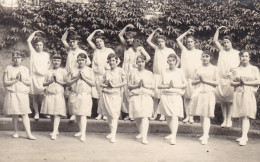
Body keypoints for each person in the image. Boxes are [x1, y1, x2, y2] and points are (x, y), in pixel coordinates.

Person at [119, 24, 151, 120]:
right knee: (125, 92)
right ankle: (128, 113)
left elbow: (148, 57)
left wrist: (138, 65)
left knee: (133, 91)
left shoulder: (139, 48)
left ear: (134, 38)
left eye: (130, 38)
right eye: (127, 39)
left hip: (134, 71)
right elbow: (120, 35)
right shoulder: (125, 46)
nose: (129, 40)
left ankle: (135, 113)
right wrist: (126, 26)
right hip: (125, 69)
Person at [147, 28, 178, 121]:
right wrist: (154, 31)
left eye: (162, 41)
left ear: (165, 42)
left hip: (166, 76)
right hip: (156, 75)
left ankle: (163, 114)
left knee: (164, 96)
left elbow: (177, 60)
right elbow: (148, 40)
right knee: (155, 96)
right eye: (158, 42)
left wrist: (173, 71)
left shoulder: (170, 50)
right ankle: (155, 114)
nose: (160, 43)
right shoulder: (156, 49)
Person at [3, 51, 36, 140]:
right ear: (12, 59)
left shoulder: (25, 69)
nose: (17, 59)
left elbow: (29, 83)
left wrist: (21, 80)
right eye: (15, 58)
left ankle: (28, 134)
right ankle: (16, 131)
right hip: (13, 93)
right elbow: (5, 83)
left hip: (22, 94)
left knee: (25, 114)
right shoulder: (8, 68)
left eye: (18, 58)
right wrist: (16, 80)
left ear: (21, 59)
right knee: (15, 114)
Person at [61, 27, 91, 122]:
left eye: (74, 41)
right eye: (71, 41)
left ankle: (74, 114)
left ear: (78, 42)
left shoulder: (82, 52)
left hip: (77, 74)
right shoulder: (69, 50)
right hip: (68, 73)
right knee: (68, 93)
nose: (71, 43)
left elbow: (88, 63)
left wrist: (78, 70)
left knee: (75, 93)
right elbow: (63, 39)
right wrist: (67, 30)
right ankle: (68, 112)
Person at [230, 50, 260, 146]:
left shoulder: (254, 69)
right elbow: (231, 83)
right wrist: (240, 83)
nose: (244, 58)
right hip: (239, 93)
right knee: (241, 114)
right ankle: (244, 135)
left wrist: (246, 83)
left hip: (249, 93)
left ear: (249, 58)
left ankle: (244, 136)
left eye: (246, 56)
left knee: (246, 115)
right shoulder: (236, 70)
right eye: (242, 56)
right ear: (240, 58)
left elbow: (258, 81)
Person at [189, 50, 219, 145]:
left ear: (210, 58)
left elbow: (217, 83)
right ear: (201, 58)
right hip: (199, 92)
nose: (205, 58)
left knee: (206, 114)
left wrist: (205, 81)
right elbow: (193, 82)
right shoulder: (198, 68)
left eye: (207, 56)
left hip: (209, 93)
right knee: (202, 114)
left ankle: (206, 135)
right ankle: (204, 133)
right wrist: (200, 80)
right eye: (203, 56)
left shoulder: (214, 69)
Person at [213, 26, 240, 128]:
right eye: (224, 43)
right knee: (222, 101)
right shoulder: (221, 51)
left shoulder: (236, 53)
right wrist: (218, 30)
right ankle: (224, 120)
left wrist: (233, 73)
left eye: (228, 42)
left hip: (231, 79)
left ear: (231, 43)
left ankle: (229, 120)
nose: (225, 44)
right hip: (221, 78)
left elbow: (238, 66)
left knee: (230, 101)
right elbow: (215, 40)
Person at [158, 54, 186, 145]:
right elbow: (159, 85)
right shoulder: (164, 71)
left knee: (174, 115)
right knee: (168, 115)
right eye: (169, 60)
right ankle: (172, 133)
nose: (171, 62)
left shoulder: (180, 71)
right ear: (167, 61)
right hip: (166, 95)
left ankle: (174, 136)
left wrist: (175, 86)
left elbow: (185, 84)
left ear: (175, 61)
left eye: (173, 60)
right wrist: (167, 86)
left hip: (175, 95)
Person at [87, 29, 115, 120]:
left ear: (104, 42)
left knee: (106, 94)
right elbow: (88, 40)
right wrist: (95, 31)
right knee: (99, 95)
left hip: (106, 75)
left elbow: (116, 60)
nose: (98, 43)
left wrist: (109, 68)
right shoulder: (96, 50)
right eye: (97, 42)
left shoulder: (109, 50)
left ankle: (106, 113)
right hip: (97, 75)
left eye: (100, 41)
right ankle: (100, 113)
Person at [176, 28, 203, 124]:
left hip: (194, 78)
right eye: (188, 42)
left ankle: (191, 116)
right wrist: (186, 32)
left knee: (193, 97)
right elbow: (178, 40)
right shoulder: (184, 51)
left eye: (191, 42)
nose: (189, 43)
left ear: (194, 43)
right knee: (186, 97)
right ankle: (187, 115)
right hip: (185, 78)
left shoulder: (199, 52)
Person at [99, 53, 126, 143]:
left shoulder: (120, 71)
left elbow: (124, 82)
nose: (111, 62)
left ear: (116, 61)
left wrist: (115, 86)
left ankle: (113, 135)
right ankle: (111, 131)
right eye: (110, 61)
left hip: (116, 95)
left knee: (114, 115)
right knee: (109, 115)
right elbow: (101, 83)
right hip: (107, 94)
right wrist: (106, 85)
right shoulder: (106, 72)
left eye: (113, 60)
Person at [67, 53, 95, 142]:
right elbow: (68, 83)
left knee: (83, 114)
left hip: (85, 94)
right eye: (79, 60)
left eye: (82, 60)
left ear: (85, 61)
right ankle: (80, 130)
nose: (80, 61)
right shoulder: (73, 70)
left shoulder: (89, 70)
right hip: (75, 94)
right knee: (77, 114)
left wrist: (83, 77)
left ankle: (83, 134)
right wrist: (75, 79)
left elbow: (93, 83)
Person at [41, 54, 67, 140]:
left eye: (58, 61)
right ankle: (55, 130)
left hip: (58, 94)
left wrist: (57, 81)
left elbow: (66, 83)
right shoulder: (48, 71)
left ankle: (55, 132)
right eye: (55, 60)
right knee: (51, 113)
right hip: (50, 94)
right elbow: (43, 83)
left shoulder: (63, 71)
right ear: (52, 61)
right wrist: (50, 82)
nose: (56, 62)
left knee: (56, 113)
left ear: (60, 62)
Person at [128, 55, 154, 145]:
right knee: (137, 116)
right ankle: (141, 132)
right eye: (138, 62)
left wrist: (145, 85)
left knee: (145, 116)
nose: (140, 63)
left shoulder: (149, 74)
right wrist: (137, 85)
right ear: (136, 63)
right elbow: (129, 86)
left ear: (145, 62)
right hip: (136, 95)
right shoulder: (133, 73)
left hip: (146, 96)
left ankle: (144, 137)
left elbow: (153, 86)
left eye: (142, 61)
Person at [27, 30, 50, 120]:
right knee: (35, 96)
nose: (39, 46)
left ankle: (44, 112)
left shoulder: (46, 55)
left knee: (44, 95)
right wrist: (35, 32)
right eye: (37, 45)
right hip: (34, 77)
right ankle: (36, 113)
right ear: (35, 46)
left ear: (43, 46)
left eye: (40, 45)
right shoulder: (33, 53)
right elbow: (28, 41)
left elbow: (47, 66)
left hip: (43, 78)